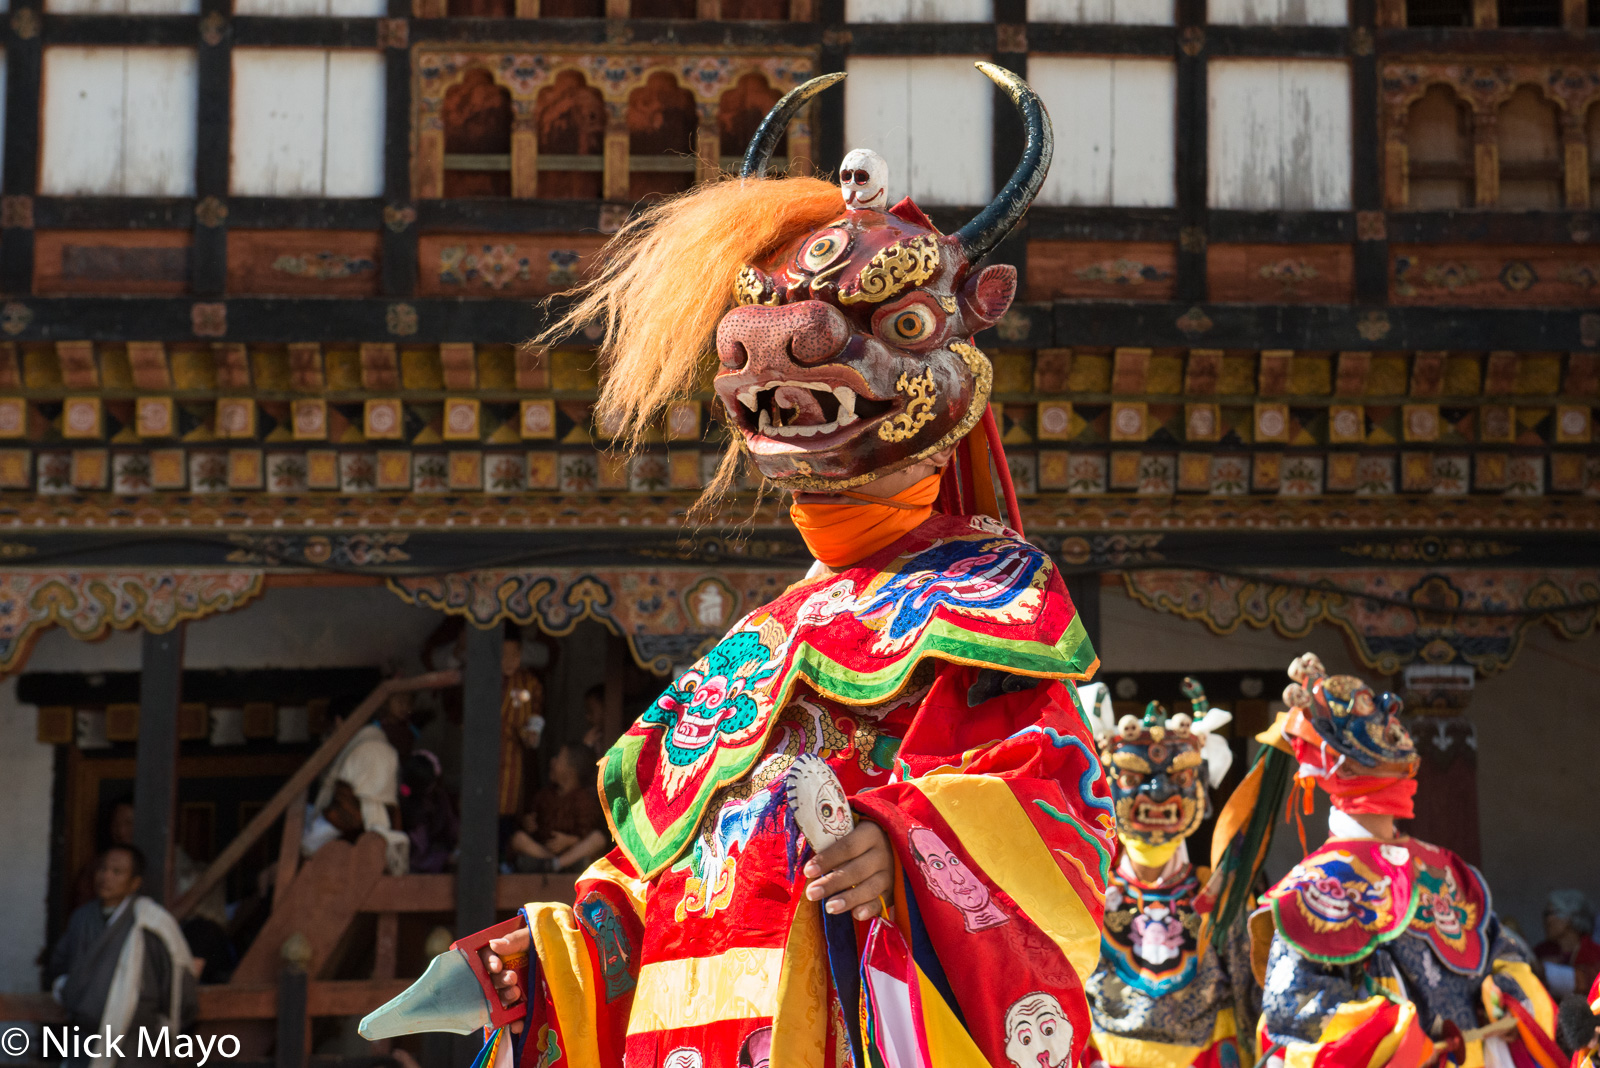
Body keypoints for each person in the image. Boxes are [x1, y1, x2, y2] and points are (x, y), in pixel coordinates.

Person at [361, 66, 1114, 1068]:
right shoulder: (756, 646)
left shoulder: (984, 611)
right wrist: (542, 964)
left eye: (893, 328)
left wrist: (903, 847)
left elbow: (1059, 808)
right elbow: (676, 889)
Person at [1250, 654, 1561, 1068]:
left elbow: (1502, 950)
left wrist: (1507, 993)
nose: (1391, 719)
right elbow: (1295, 1011)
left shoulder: (1445, 867)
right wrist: (1398, 1036)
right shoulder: (1308, 889)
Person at [1080, 679, 1259, 1068]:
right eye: (1133, 778)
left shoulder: (1223, 892)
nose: (1158, 791)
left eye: (1179, 778)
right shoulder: (1084, 893)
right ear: (1106, 789)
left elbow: (1252, 998)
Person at [48, 845, 196, 1067]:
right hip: (86, 1042)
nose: (106, 876)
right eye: (102, 869)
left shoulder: (151, 924)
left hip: (137, 1046)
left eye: (117, 872)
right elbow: (58, 967)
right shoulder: (81, 919)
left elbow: (176, 987)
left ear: (135, 883)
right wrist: (67, 988)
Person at [301, 691, 411, 875]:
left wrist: (306, 848)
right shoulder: (379, 747)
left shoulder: (365, 751)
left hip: (359, 861)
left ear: (338, 722)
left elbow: (347, 815)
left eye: (329, 729)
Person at [506, 742, 608, 873]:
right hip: (544, 854)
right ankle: (552, 863)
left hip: (574, 856)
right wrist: (529, 824)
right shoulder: (544, 796)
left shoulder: (585, 800)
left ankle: (558, 863)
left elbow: (587, 835)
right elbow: (534, 829)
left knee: (597, 839)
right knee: (518, 839)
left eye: (559, 758)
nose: (552, 761)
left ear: (571, 771)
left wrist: (570, 841)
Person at [401, 749, 459, 874]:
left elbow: (452, 826)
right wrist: (446, 858)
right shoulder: (412, 812)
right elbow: (418, 858)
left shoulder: (439, 796)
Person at [1535, 890, 1600, 1000]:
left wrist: (1546, 970)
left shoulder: (1594, 953)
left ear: (1568, 917)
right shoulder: (1541, 951)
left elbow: (1593, 985)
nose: (1546, 920)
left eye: (1549, 913)